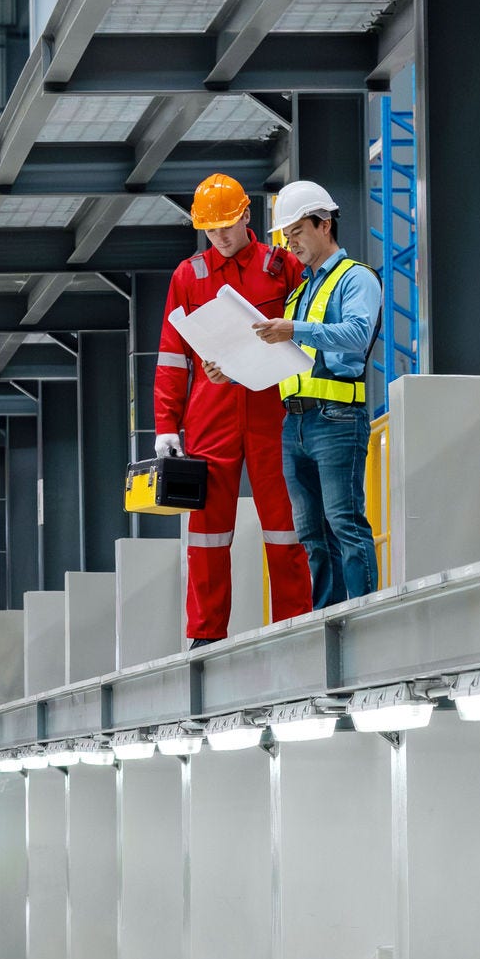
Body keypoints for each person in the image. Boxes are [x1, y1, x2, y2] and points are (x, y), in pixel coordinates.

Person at [154, 173, 313, 646]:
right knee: (206, 531)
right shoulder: (189, 275)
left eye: (227, 224)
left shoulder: (281, 266)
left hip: (274, 410)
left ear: (248, 216)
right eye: (211, 228)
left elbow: (305, 330)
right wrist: (165, 425)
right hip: (210, 416)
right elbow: (171, 356)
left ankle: (293, 623)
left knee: (286, 524)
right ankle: (205, 634)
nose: (220, 236)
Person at [252, 180, 384, 608]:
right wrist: (231, 371)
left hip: (337, 420)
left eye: (297, 233)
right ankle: (328, 618)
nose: (291, 245)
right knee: (312, 533)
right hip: (296, 424)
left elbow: (358, 333)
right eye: (287, 237)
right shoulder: (299, 293)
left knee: (344, 522)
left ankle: (364, 614)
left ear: (324, 224)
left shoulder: (356, 279)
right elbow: (289, 358)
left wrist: (293, 328)